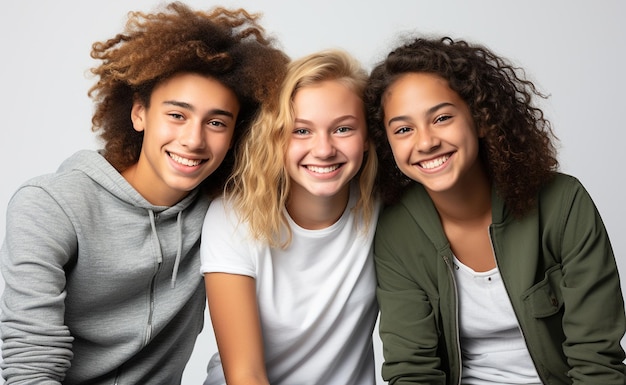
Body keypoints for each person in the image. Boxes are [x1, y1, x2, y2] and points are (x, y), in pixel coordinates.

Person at [0, 1, 288, 384]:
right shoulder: (49, 206)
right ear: (139, 114)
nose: (193, 139)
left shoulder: (225, 217)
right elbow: (31, 365)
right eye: (177, 115)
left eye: (216, 122)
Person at [365, 36, 626, 384]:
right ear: (387, 143)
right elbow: (412, 370)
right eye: (403, 129)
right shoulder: (398, 229)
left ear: (481, 118)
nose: (425, 142)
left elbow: (597, 362)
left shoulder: (562, 202)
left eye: (442, 118)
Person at [200, 49, 380, 385]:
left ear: (368, 138)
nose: (324, 149)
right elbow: (246, 375)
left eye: (343, 129)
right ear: (276, 138)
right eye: (301, 131)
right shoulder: (232, 218)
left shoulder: (384, 209)